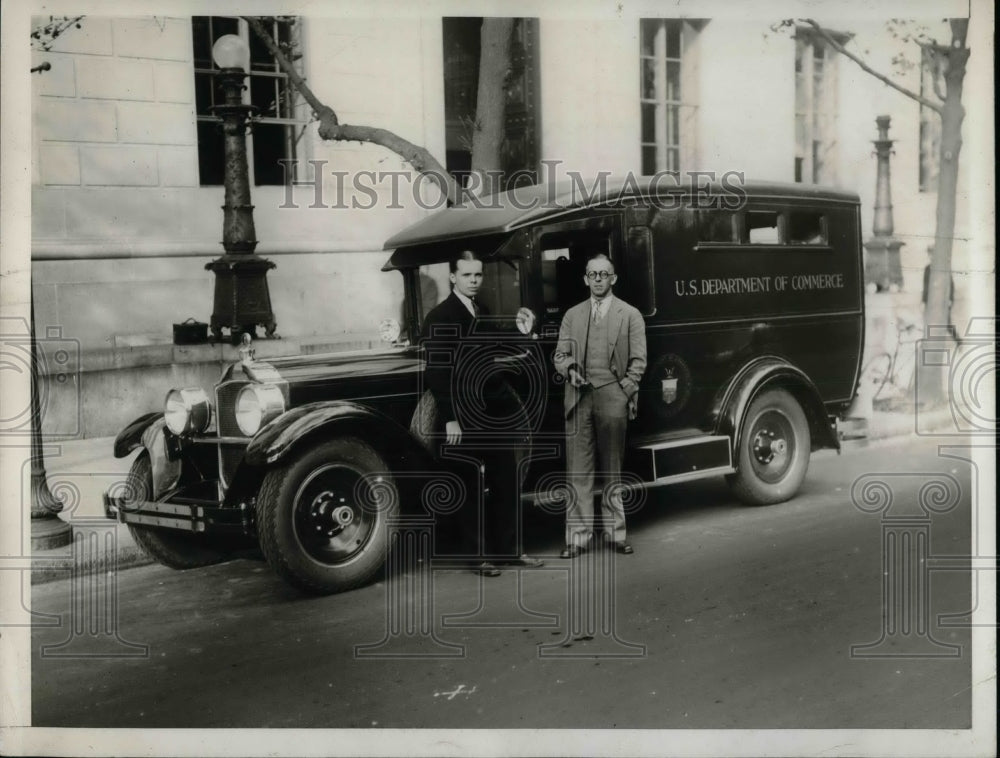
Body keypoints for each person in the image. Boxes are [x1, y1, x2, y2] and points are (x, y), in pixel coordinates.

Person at [421, 250, 543, 576]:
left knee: (506, 482)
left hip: (494, 414)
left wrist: (522, 330)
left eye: (478, 275)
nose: (474, 280)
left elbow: (497, 346)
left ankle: (510, 551)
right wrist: (450, 418)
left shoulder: (481, 310)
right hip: (463, 417)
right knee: (471, 488)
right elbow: (437, 373)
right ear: (453, 277)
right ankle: (478, 558)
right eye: (467, 275)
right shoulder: (439, 317)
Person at [553, 253, 647, 557]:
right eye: (592, 274)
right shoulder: (573, 315)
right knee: (578, 471)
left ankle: (615, 534)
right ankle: (577, 538)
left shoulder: (630, 314)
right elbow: (560, 355)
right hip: (578, 398)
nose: (597, 279)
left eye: (603, 274)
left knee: (612, 469)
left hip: (612, 397)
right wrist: (570, 369)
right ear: (585, 279)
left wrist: (624, 392)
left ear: (613, 278)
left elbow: (638, 362)